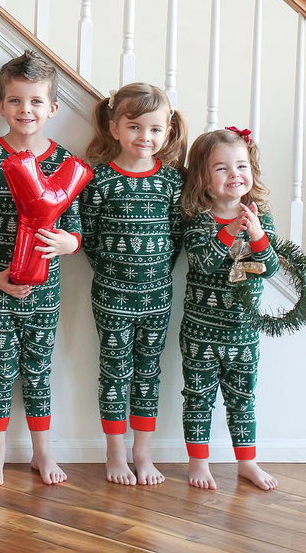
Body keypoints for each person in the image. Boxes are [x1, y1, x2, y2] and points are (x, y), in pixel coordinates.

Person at [0, 49, 81, 486]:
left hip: (45, 294)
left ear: (52, 108)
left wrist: (70, 243)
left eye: (35, 101)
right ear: (1, 105)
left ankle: (41, 452)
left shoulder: (64, 163)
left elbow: (75, 227)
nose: (25, 110)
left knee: (38, 371)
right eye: (15, 100)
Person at [81, 82, 187, 485]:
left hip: (157, 296)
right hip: (111, 296)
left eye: (155, 130)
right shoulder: (100, 179)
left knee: (148, 371)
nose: (145, 137)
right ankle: (115, 454)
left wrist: (155, 272)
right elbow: (87, 236)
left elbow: (176, 236)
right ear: (115, 128)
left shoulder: (172, 182)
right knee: (114, 372)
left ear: (168, 131)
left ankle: (143, 452)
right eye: (135, 127)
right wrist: (112, 272)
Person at [179, 127, 280, 491]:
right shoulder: (198, 219)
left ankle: (247, 462)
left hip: (244, 334)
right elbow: (204, 262)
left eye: (241, 165)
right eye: (221, 168)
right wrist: (229, 230)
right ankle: (199, 462)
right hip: (200, 333)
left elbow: (269, 268)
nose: (234, 174)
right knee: (198, 398)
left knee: (242, 400)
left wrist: (255, 234)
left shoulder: (260, 218)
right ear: (204, 179)